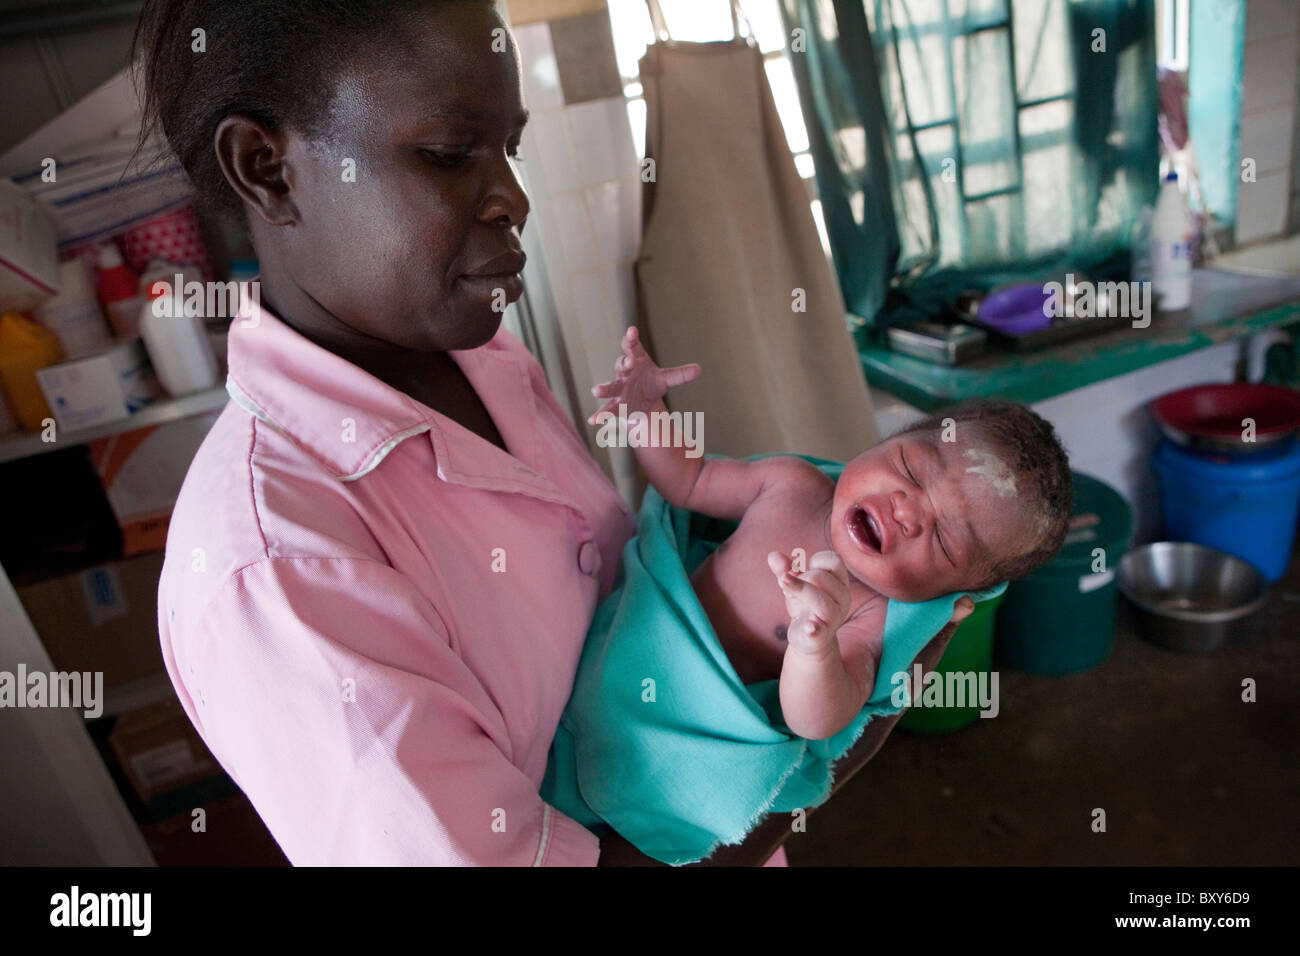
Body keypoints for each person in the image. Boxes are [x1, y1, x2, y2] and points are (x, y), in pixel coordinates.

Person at [142, 0, 967, 866]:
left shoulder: (481, 360)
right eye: (449, 154)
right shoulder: (277, 568)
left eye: (510, 148)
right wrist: (844, 735)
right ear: (267, 169)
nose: (514, 199)